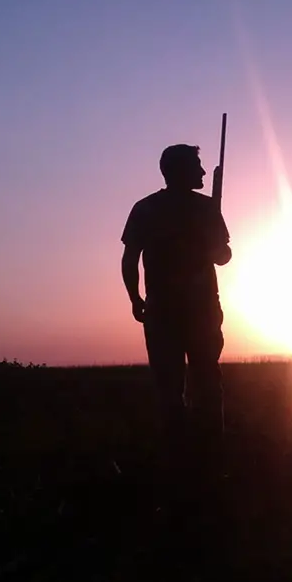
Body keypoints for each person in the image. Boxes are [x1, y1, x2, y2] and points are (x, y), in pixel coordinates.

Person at [121, 143, 232, 440]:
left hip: (165, 309)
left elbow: (130, 258)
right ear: (181, 170)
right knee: (206, 380)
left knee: (170, 386)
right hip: (200, 310)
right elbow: (223, 257)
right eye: (197, 166)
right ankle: (208, 451)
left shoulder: (145, 208)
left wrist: (135, 298)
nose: (204, 171)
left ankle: (179, 450)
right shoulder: (206, 208)